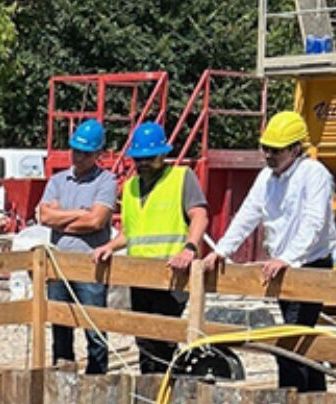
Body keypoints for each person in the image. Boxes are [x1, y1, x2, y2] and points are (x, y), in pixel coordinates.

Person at [202, 110, 336, 391]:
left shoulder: (314, 174)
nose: (268, 155)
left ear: (295, 149)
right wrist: (222, 250)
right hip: (282, 265)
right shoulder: (267, 177)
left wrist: (288, 257)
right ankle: (312, 397)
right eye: (266, 148)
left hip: (310, 264)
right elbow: (248, 214)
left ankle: (294, 399)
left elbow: (314, 223)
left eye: (276, 150)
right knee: (299, 339)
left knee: (291, 341)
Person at [92, 121, 209, 373]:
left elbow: (199, 215)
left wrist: (189, 248)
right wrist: (110, 246)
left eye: (149, 158)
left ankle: (166, 387)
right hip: (140, 276)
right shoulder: (131, 187)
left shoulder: (181, 178)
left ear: (162, 155)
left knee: (163, 340)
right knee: (144, 339)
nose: (143, 163)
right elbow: (130, 233)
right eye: (139, 158)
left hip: (171, 275)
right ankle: (149, 388)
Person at [37, 117, 118, 375]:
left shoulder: (106, 181)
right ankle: (63, 374)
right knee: (60, 323)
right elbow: (44, 216)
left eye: (85, 153)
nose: (79, 157)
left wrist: (61, 219)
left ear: (97, 154)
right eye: (76, 151)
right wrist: (80, 214)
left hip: (90, 265)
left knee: (95, 326)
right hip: (59, 265)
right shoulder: (58, 181)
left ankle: (97, 377)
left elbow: (96, 221)